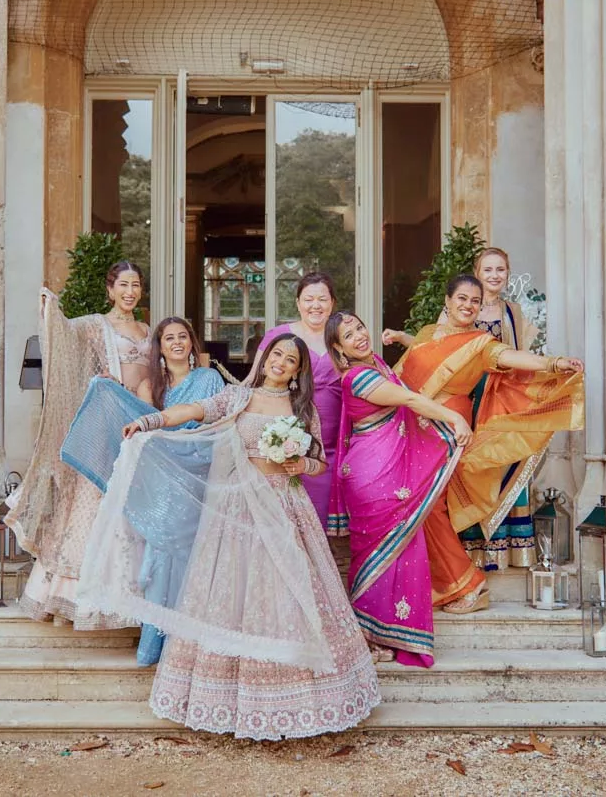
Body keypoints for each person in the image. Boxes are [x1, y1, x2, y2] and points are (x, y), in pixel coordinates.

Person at [77, 333, 380, 740]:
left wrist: (300, 465)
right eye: (276, 355)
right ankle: (230, 700)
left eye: (290, 360)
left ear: (297, 372)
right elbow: (194, 410)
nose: (281, 362)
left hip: (286, 508)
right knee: (235, 592)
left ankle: (298, 703)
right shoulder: (238, 397)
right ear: (264, 358)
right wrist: (150, 421)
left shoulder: (301, 407)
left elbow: (318, 462)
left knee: (291, 592)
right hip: (240, 510)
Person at [384, 274, 584, 614]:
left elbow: (511, 357)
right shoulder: (428, 334)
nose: (468, 305)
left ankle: (469, 585)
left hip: (448, 429)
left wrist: (554, 363)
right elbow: (407, 370)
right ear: (447, 301)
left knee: (430, 505)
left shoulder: (480, 343)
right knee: (415, 505)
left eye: (474, 301)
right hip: (410, 427)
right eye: (462, 298)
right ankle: (433, 583)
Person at [58, 317, 224, 665]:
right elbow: (143, 426)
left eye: (182, 337)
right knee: (161, 556)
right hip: (164, 481)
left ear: (192, 343)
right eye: (169, 338)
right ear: (159, 348)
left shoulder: (209, 379)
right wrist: (111, 389)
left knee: (192, 558)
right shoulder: (151, 385)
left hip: (197, 475)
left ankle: (186, 643)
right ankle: (155, 641)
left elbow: (217, 424)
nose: (177, 342)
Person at [4, 261, 151, 628]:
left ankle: (129, 598)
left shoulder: (149, 330)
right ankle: (71, 598)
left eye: (135, 285)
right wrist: (50, 310)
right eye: (123, 285)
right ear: (110, 290)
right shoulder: (95, 325)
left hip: (139, 423)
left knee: (129, 506)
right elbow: (65, 339)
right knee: (92, 502)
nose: (130, 292)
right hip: (107, 423)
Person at [325, 311, 472, 667]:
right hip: (373, 476)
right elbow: (410, 401)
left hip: (391, 473)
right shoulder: (358, 377)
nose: (359, 336)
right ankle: (369, 635)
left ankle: (391, 633)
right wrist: (454, 417)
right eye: (349, 335)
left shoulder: (376, 364)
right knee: (375, 555)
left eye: (359, 327)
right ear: (339, 349)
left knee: (403, 551)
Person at [459, 247, 543, 570]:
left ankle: (509, 549)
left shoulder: (514, 312)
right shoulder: (463, 308)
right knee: (476, 468)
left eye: (500, 270)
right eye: (488, 269)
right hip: (472, 400)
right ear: (476, 273)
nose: (494, 275)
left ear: (507, 273)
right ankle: (474, 551)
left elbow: (523, 357)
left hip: (506, 401)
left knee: (509, 461)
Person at [250, 273, 345, 533]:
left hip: (329, 449)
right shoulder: (279, 336)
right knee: (283, 528)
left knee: (319, 528)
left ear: (332, 303)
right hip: (283, 443)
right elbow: (254, 380)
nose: (315, 305)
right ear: (298, 303)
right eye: (308, 299)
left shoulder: (341, 339)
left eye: (322, 299)